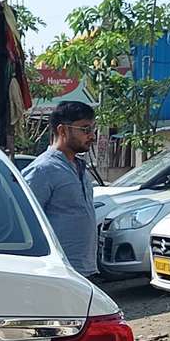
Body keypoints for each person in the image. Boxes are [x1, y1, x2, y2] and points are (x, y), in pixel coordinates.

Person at [23, 101, 98, 278]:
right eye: (85, 129)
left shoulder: (80, 167)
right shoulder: (42, 169)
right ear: (63, 130)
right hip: (59, 273)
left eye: (93, 129)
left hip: (85, 269)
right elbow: (26, 221)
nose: (92, 136)